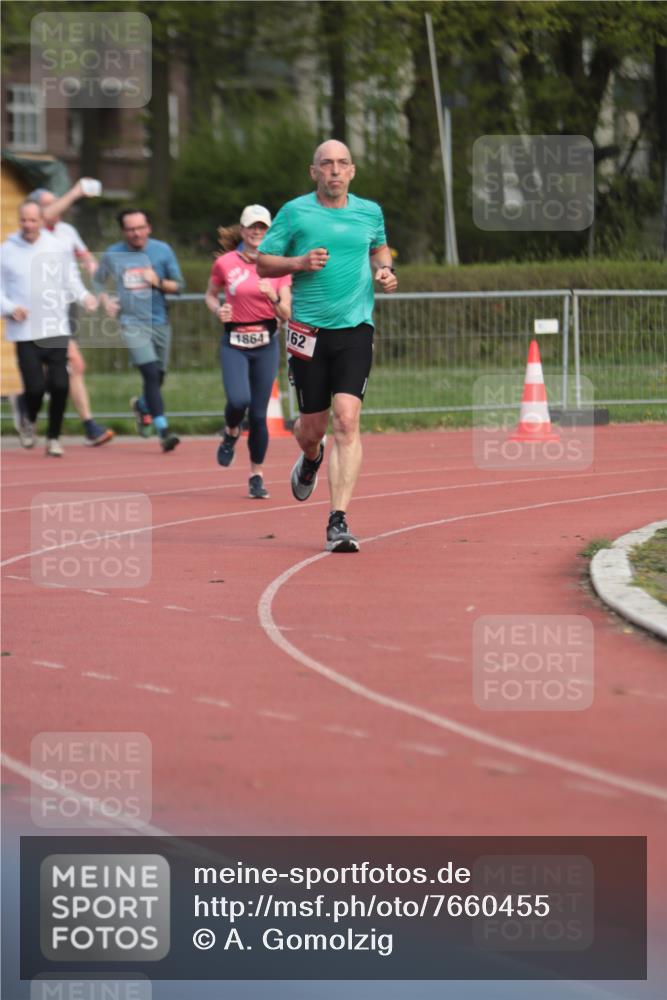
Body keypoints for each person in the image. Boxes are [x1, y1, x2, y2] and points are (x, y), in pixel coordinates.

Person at [257, 139, 398, 552]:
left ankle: (338, 520)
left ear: (352, 170)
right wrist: (299, 263)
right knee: (311, 429)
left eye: (342, 163)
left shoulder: (369, 211)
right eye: (326, 164)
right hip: (308, 331)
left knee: (347, 420)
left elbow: (379, 249)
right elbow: (263, 262)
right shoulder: (294, 212)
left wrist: (385, 271)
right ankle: (311, 458)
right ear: (314, 171)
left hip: (356, 328)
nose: (335, 170)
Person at [205, 205, 291, 498]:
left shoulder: (278, 266)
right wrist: (219, 309)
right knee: (238, 400)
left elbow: (286, 312)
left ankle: (257, 475)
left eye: (262, 227)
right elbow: (210, 295)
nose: (257, 232)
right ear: (242, 230)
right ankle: (231, 432)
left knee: (258, 415)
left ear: (269, 231)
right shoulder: (225, 263)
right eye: (252, 227)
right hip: (235, 343)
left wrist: (273, 296)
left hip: (266, 344)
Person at [0, 200, 97, 456]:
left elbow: (71, 279)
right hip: (25, 332)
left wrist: (85, 296)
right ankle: (29, 420)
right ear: (19, 220)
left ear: (42, 221)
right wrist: (10, 308)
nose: (28, 225)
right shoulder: (6, 250)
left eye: (33, 220)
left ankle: (54, 437)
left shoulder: (56, 246)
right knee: (35, 388)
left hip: (55, 328)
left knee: (61, 386)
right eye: (24, 220)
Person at [28, 183, 114, 446]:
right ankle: (37, 409)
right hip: (41, 308)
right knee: (69, 365)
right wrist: (76, 192)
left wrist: (100, 295)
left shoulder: (67, 231)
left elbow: (88, 263)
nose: (58, 207)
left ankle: (86, 425)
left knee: (71, 368)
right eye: (49, 203)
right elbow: (45, 215)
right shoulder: (33, 233)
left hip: (66, 307)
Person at [93, 209, 184, 452]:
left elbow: (179, 286)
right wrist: (106, 301)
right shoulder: (113, 254)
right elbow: (98, 281)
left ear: (148, 227)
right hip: (131, 323)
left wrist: (158, 282)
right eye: (131, 229)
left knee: (159, 376)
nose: (136, 233)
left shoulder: (162, 250)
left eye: (140, 228)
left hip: (160, 322)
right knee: (151, 375)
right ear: (123, 231)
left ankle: (143, 406)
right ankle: (164, 431)